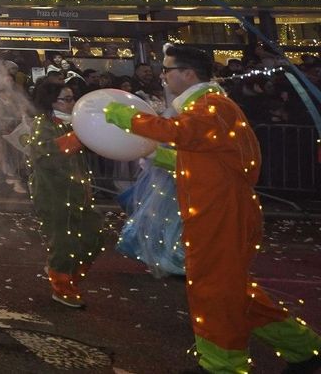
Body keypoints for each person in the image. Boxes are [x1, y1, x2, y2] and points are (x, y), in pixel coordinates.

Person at [104, 44, 321, 374]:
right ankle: (302, 348)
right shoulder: (212, 106)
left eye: (168, 69)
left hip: (220, 216)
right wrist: (157, 156)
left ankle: (223, 365)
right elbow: (206, 158)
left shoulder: (211, 105)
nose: (163, 75)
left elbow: (180, 133)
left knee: (214, 294)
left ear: (188, 74)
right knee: (234, 293)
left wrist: (125, 116)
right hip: (216, 214)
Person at [25, 78, 109, 309]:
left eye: (73, 98)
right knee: (64, 243)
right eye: (66, 99)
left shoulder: (74, 123)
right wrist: (78, 138)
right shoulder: (44, 124)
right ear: (52, 101)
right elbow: (45, 153)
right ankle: (62, 286)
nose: (72, 103)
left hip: (79, 194)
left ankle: (66, 274)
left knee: (93, 238)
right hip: (54, 195)